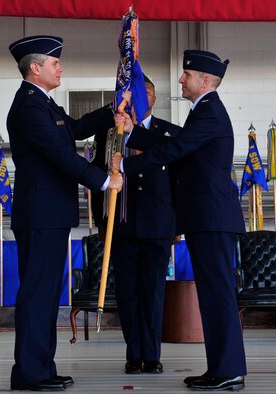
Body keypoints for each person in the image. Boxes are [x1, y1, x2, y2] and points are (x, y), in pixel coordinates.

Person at [113, 50, 247, 391]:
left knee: (218, 295)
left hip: (212, 218)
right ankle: (221, 367)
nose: (181, 79)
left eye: (187, 74)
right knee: (213, 294)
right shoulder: (204, 111)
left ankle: (228, 370)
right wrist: (133, 134)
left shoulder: (209, 112)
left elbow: (174, 150)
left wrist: (125, 166)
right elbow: (175, 142)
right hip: (206, 217)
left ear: (205, 80)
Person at [6, 35, 123, 392]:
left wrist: (112, 109)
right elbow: (61, 155)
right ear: (36, 68)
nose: (61, 68)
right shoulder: (29, 107)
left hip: (50, 214)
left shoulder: (44, 103)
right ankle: (29, 374)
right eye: (55, 63)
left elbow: (72, 129)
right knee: (37, 295)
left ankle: (41, 367)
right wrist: (104, 182)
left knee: (45, 295)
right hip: (40, 214)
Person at [91, 75, 180, 375]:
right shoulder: (110, 133)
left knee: (153, 292)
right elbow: (96, 179)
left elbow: (179, 182)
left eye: (148, 93)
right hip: (122, 225)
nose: (143, 98)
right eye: (137, 94)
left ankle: (151, 355)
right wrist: (101, 223)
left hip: (158, 225)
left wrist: (178, 224)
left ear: (154, 99)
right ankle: (134, 354)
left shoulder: (168, 133)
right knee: (127, 293)